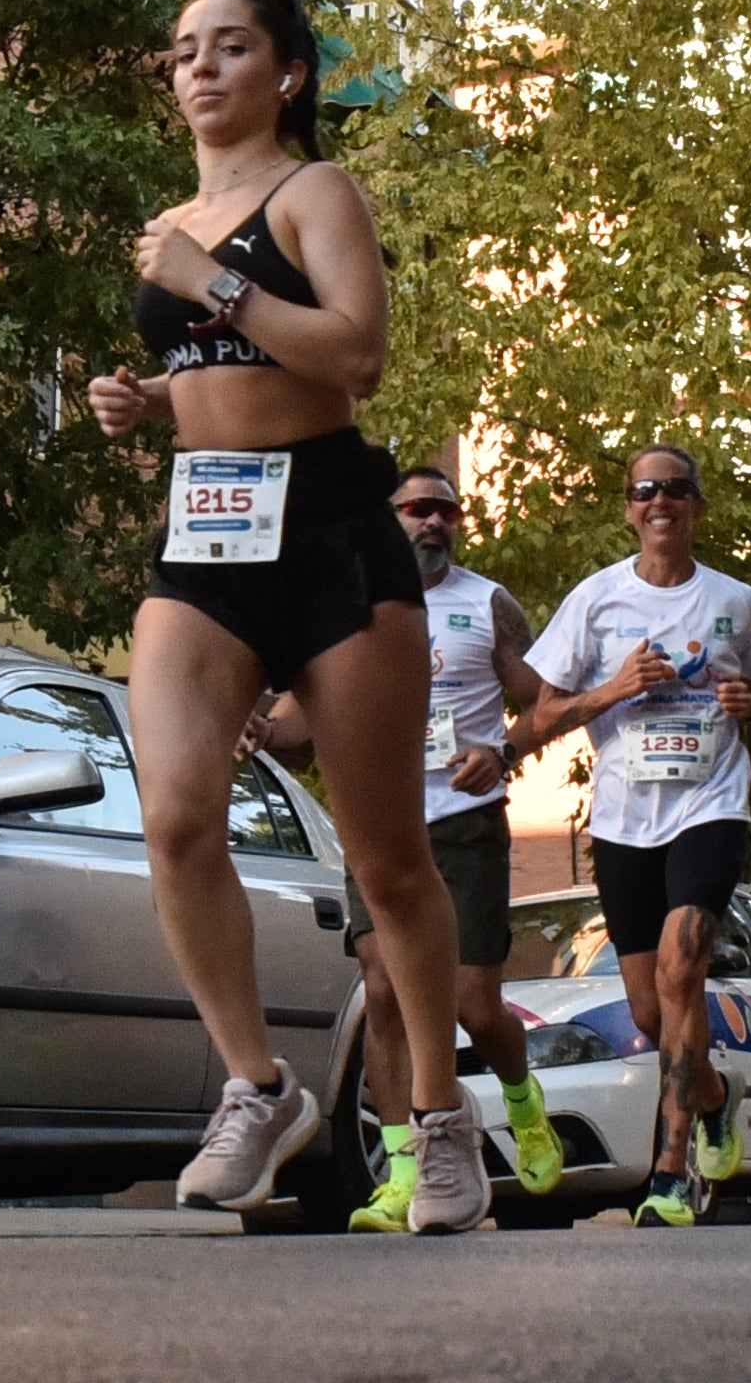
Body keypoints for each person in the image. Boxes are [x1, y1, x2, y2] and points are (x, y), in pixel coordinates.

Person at [86, 0, 489, 1233]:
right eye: (182, 53)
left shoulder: (314, 195)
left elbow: (354, 356)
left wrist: (212, 284)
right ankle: (258, 1087)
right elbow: (223, 367)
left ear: (287, 75)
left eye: (231, 49)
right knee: (175, 818)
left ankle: (439, 1119)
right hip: (204, 533)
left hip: (328, 533)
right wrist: (150, 402)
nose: (199, 72)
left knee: (388, 864)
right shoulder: (176, 223)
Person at [251, 466, 567, 1232]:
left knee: (471, 1002)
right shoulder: (344, 606)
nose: (434, 522)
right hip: (379, 823)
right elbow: (297, 729)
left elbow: (544, 705)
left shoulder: (486, 604)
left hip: (464, 820)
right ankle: (403, 1172)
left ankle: (524, 1107)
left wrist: (502, 749)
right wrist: (257, 729)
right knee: (383, 993)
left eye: (445, 511)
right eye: (417, 509)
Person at [517, 444, 751, 1228]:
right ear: (629, 508)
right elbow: (538, 717)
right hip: (624, 822)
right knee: (647, 1012)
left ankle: (669, 1173)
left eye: (674, 489)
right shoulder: (595, 602)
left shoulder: (734, 601)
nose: (659, 501)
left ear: (696, 505)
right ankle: (711, 1094)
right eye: (644, 491)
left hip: (710, 808)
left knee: (681, 969)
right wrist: (614, 688)